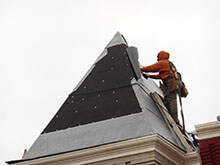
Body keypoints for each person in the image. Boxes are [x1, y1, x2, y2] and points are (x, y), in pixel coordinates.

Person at [141, 51, 181, 124]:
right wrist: (149, 76)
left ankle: (174, 118)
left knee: (171, 100)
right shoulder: (169, 64)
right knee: (168, 99)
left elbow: (152, 68)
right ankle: (172, 116)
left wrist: (141, 69)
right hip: (172, 84)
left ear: (161, 56)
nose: (157, 58)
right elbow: (160, 76)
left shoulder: (163, 63)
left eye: (158, 56)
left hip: (171, 85)